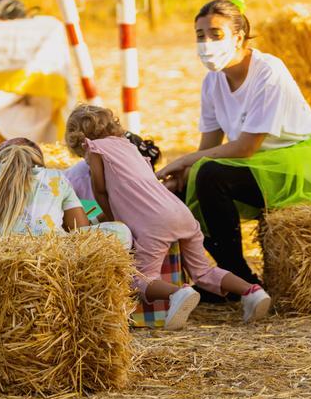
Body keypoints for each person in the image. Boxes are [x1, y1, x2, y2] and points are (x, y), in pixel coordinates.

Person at [155, 0, 311, 284]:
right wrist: (181, 175)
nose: (206, 43)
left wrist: (183, 161)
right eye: (200, 36)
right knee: (183, 186)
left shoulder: (268, 71)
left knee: (208, 175)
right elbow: (208, 148)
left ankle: (239, 277)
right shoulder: (212, 81)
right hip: (258, 165)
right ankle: (209, 278)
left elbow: (245, 147)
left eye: (216, 34)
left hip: (298, 164)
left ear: (238, 37)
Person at [69, 105, 272, 328]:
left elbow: (100, 190)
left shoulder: (95, 148)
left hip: (154, 223)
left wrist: (113, 220)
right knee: (203, 271)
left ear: (80, 140)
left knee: (141, 279)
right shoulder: (129, 147)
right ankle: (252, 291)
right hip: (180, 213)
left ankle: (178, 294)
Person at [0, 138, 131, 248]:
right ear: (39, 161)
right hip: (51, 254)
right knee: (121, 232)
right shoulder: (56, 178)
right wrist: (97, 218)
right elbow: (79, 230)